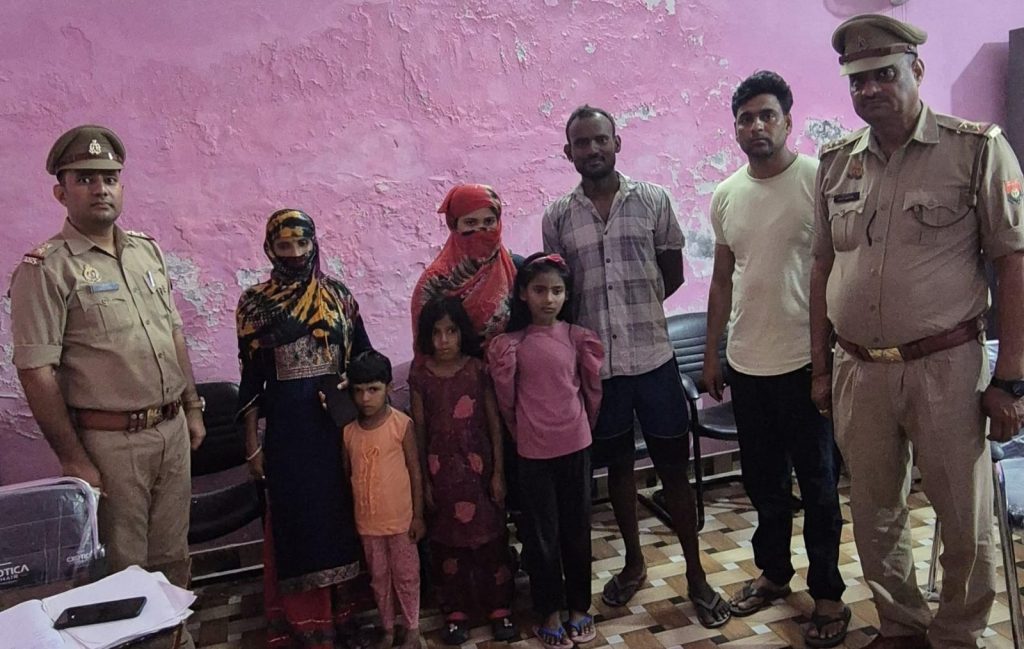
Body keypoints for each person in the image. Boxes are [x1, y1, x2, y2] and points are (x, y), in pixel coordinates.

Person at [810, 14, 1024, 649]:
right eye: (858, 80)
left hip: (946, 368)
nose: (870, 89)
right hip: (858, 369)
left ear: (917, 71)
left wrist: (1012, 379)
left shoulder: (975, 149)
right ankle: (900, 624)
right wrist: (820, 368)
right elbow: (821, 267)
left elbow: (1013, 262)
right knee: (874, 513)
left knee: (962, 517)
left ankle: (956, 633)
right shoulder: (836, 164)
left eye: (884, 74)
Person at [9, 124, 206, 648]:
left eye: (110, 178)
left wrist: (192, 406)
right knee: (122, 573)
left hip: (170, 433)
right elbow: (36, 371)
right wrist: (74, 458)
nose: (101, 188)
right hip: (110, 444)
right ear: (61, 191)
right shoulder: (47, 269)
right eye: (86, 178)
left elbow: (173, 333)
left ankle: (175, 642)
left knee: (174, 559)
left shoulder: (147, 252)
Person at [542, 106, 731, 627]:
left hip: (654, 361)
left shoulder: (653, 200)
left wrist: (633, 309)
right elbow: (561, 293)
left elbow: (671, 274)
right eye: (582, 143)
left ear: (617, 143)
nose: (593, 149)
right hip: (600, 372)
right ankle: (633, 563)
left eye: (601, 139)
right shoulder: (558, 218)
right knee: (618, 470)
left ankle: (697, 575)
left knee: (673, 469)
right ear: (568, 152)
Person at [704, 71, 848, 646]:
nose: (756, 126)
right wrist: (713, 354)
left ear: (788, 120)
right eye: (746, 118)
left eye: (767, 115)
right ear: (736, 128)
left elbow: (839, 269)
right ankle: (773, 573)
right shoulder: (726, 194)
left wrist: (827, 362)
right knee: (764, 483)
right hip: (747, 364)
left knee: (818, 485)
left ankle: (829, 593)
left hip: (805, 364)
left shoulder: (818, 181)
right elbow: (722, 280)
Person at [236, 208, 373, 649]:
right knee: (299, 521)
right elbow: (250, 381)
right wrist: (252, 447)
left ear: (314, 244)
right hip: (289, 436)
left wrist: (352, 385)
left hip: (337, 430)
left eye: (302, 243)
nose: (294, 253)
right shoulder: (255, 305)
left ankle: (346, 614)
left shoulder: (338, 297)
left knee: (343, 516)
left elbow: (364, 358)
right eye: (284, 245)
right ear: (269, 249)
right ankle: (308, 622)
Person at [488, 253, 603, 648]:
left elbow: (592, 394)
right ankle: (549, 612)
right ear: (523, 293)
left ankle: (579, 608)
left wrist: (579, 428)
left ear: (567, 294)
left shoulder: (578, 338)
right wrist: (525, 434)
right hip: (533, 452)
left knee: (577, 529)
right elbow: (506, 403)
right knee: (541, 535)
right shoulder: (510, 346)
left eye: (557, 291)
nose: (548, 299)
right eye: (539, 290)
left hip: (576, 446)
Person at [409, 297, 516, 644]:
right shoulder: (420, 375)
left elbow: (494, 424)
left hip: (479, 472)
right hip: (441, 475)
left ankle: (499, 606)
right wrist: (425, 481)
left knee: (491, 539)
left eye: (451, 331)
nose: (444, 341)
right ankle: (456, 611)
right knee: (448, 545)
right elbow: (419, 432)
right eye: (436, 333)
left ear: (462, 333)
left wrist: (498, 472)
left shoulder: (477, 369)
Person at [343, 351, 426, 649]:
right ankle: (388, 628)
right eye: (358, 391)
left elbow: (415, 472)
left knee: (407, 575)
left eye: (373, 389)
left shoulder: (401, 425)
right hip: (368, 524)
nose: (365, 398)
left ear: (389, 387)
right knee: (378, 578)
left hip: (401, 521)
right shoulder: (348, 433)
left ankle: (412, 627)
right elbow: (348, 476)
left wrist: (418, 516)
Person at [410, 183, 517, 351]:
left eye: (489, 221)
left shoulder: (515, 267)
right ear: (455, 225)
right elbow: (425, 346)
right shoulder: (433, 282)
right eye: (470, 222)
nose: (481, 229)